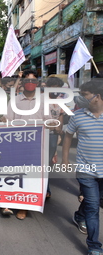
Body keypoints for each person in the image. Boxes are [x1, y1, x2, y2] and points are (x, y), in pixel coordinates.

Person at [3, 69, 52, 219]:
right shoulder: (15, 100)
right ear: (23, 83)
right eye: (27, 81)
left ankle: (24, 207)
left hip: (35, 145)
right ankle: (10, 201)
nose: (30, 83)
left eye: (33, 81)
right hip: (16, 144)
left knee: (30, 177)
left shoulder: (43, 101)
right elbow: (7, 119)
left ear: (37, 84)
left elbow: (48, 122)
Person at [62, 80, 103, 255]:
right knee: (93, 207)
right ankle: (94, 246)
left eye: (85, 94)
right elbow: (68, 136)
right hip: (86, 170)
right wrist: (65, 159)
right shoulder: (78, 116)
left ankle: (79, 216)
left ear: (97, 97)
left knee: (92, 200)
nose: (81, 98)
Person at [45, 77, 64, 198]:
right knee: (42, 162)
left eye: (58, 87)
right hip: (43, 133)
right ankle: (45, 188)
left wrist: (59, 129)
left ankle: (46, 186)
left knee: (49, 162)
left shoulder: (60, 100)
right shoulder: (42, 99)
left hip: (54, 135)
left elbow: (61, 115)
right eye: (54, 86)